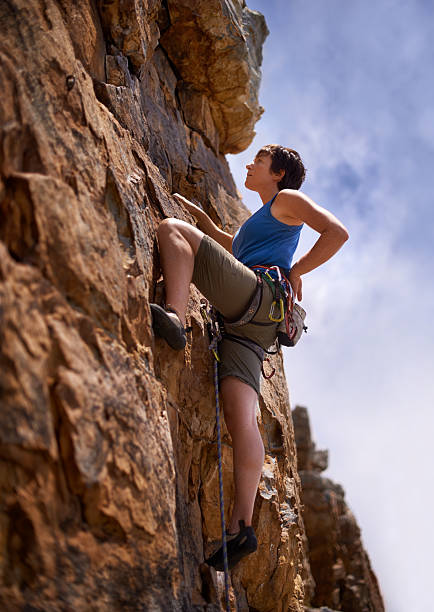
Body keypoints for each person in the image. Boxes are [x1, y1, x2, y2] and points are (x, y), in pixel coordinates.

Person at [150, 144, 349, 570]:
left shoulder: (287, 200)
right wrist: (203, 221)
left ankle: (173, 317)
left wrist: (299, 271)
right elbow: (232, 250)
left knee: (172, 230)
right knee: (242, 419)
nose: (249, 164)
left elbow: (336, 232)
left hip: (256, 297)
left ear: (278, 173)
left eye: (258, 160)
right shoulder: (262, 221)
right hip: (255, 327)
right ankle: (242, 525)